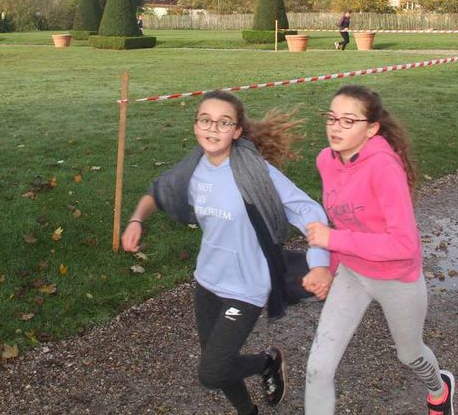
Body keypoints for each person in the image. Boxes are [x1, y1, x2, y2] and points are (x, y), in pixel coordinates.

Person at [123, 90, 332, 415]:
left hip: (245, 289)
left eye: (224, 123)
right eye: (205, 120)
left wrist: (319, 264)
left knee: (211, 372)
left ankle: (267, 362)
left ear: (237, 130)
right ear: (195, 125)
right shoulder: (193, 168)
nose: (213, 129)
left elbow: (309, 210)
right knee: (218, 363)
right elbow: (158, 191)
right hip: (206, 282)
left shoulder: (254, 172)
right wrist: (137, 219)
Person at [304, 84, 455, 415]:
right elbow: (343, 221)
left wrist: (334, 241)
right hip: (353, 274)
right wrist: (328, 268)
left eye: (348, 121)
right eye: (331, 118)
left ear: (371, 129)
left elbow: (403, 244)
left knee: (410, 354)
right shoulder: (325, 160)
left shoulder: (384, 168)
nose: (335, 127)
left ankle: (439, 389)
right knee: (318, 368)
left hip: (395, 277)